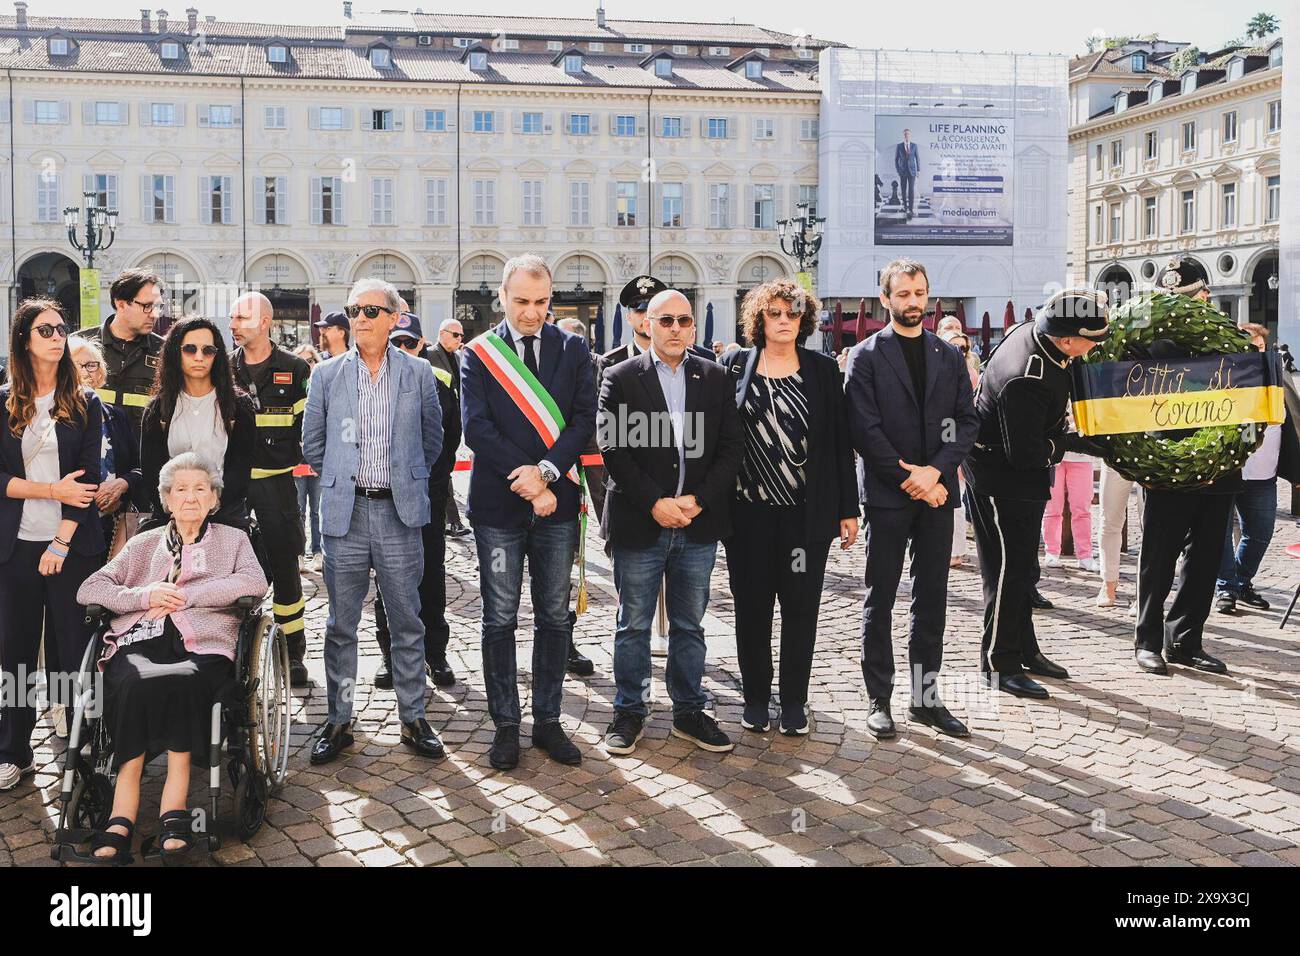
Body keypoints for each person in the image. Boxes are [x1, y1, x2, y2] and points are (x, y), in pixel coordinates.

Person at [75, 453, 267, 860]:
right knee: (129, 681)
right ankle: (121, 814)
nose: (191, 497)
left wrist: (188, 596)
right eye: (181, 490)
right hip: (141, 639)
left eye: (201, 488)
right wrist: (143, 595)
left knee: (184, 679)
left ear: (214, 498)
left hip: (203, 644)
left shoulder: (234, 540)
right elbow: (90, 588)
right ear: (166, 500)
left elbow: (254, 582)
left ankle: (174, 809)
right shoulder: (144, 543)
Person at [461, 254, 596, 770]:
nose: (532, 312)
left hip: (556, 504)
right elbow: (478, 428)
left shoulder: (573, 348)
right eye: (521, 302)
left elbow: (584, 421)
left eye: (541, 302)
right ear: (502, 296)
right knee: (499, 618)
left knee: (554, 618)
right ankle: (505, 726)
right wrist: (530, 478)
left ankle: (548, 721)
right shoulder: (479, 354)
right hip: (499, 506)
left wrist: (546, 474)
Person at [303, 279, 445, 764]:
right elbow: (314, 443)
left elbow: (432, 440)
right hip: (346, 512)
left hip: (399, 513)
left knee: (407, 620)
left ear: (393, 317)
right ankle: (339, 720)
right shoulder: (325, 375)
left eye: (369, 310)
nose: (358, 318)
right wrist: (344, 478)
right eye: (352, 310)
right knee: (341, 624)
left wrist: (404, 479)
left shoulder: (420, 373)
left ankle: (413, 717)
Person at [599, 288, 744, 756]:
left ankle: (688, 710)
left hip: (698, 523)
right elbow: (613, 450)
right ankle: (630, 710)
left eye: (684, 321)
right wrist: (656, 503)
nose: (676, 329)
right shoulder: (619, 376)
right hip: (641, 521)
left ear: (694, 327)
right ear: (648, 325)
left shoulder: (717, 377)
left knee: (689, 623)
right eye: (666, 321)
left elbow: (730, 449)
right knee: (633, 624)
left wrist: (698, 500)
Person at [846, 261, 979, 738]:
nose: (913, 301)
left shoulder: (947, 355)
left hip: (938, 495)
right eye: (903, 294)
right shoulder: (865, 357)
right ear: (885, 300)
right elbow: (864, 430)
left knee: (932, 598)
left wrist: (936, 472)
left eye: (920, 292)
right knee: (879, 597)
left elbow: (967, 421)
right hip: (888, 496)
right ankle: (879, 699)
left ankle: (925, 699)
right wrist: (913, 477)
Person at [722, 279, 858, 736]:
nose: (784, 321)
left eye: (792, 314)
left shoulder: (821, 370)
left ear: (804, 320)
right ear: (759, 318)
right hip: (748, 515)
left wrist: (847, 508)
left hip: (805, 515)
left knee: (800, 609)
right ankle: (756, 698)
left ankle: (794, 701)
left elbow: (841, 443)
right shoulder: (735, 365)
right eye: (775, 313)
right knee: (752, 609)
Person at [963, 290, 1108, 699]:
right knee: (1007, 574)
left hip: (1018, 476)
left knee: (1024, 571)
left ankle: (1023, 648)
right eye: (1091, 341)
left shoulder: (1040, 339)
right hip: (1001, 479)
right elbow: (1026, 452)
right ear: (1067, 341)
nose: (1094, 348)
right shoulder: (1026, 376)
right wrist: (1079, 442)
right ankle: (998, 662)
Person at [0, 299, 103, 791]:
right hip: (15, 547)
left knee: (72, 649)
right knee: (14, 652)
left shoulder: (85, 403)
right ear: (25, 340)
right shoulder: (2, 402)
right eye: (46, 330)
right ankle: (12, 750)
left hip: (71, 546)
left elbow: (86, 482)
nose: (58, 336)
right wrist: (48, 490)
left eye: (62, 329)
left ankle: (80, 742)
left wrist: (60, 543)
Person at [373, 313, 461, 688]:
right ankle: (390, 656)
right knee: (387, 582)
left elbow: (450, 440)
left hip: (425, 498)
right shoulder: (373, 384)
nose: (404, 350)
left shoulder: (438, 381)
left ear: (422, 344)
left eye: (410, 343)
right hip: (384, 501)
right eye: (397, 343)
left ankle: (435, 654)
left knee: (431, 578)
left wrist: (429, 487)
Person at [229, 292, 312, 686]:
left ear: (265, 322)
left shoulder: (295, 369)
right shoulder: (223, 369)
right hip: (234, 489)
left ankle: (293, 653)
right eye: (231, 317)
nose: (233, 324)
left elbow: (309, 428)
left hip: (278, 487)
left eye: (241, 317)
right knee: (230, 567)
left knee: (285, 568)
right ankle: (233, 652)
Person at [140, 317, 256, 531]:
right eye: (190, 349)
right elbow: (151, 470)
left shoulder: (238, 406)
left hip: (225, 517)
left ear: (217, 354)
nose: (199, 357)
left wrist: (211, 506)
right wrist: (177, 509)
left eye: (208, 350)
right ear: (176, 352)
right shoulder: (158, 409)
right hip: (171, 518)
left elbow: (240, 468)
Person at [68, 335, 147, 550]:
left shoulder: (115, 416)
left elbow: (138, 467)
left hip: (112, 525)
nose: (86, 372)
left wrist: (121, 485)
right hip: (67, 525)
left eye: (92, 365)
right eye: (77, 365)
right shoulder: (53, 417)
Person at [79, 268, 165, 443]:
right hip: (91, 455)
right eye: (147, 306)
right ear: (121, 304)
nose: (155, 314)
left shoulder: (164, 351)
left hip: (141, 460)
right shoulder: (80, 345)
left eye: (158, 307)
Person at [1043, 403, 1098, 573]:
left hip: (1081, 455)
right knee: (1052, 508)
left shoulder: (1084, 385)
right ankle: (1051, 552)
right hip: (1055, 455)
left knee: (1081, 508)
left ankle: (1085, 555)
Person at [428, 318, 471, 538]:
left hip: (454, 425)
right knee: (443, 474)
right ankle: (453, 521)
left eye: (461, 336)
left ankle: (448, 521)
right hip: (438, 426)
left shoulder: (458, 357)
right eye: (455, 335)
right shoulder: (429, 355)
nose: (459, 339)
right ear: (442, 333)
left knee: (444, 473)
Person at [939, 329, 978, 569]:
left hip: (960, 443)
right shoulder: (936, 371)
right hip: (938, 441)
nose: (959, 352)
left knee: (957, 501)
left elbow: (970, 414)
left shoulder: (970, 374)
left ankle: (957, 550)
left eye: (962, 348)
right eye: (953, 346)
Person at [292, 344, 324, 572]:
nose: (307, 365)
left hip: (319, 459)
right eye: (302, 361)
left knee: (318, 509)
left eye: (310, 360)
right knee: (298, 508)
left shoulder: (323, 386)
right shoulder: (293, 389)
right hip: (297, 460)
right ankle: (299, 553)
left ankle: (319, 552)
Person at [894, 128, 920, 218]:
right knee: (903, 190)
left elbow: (917, 158)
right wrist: (898, 170)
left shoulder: (914, 146)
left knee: (911, 191)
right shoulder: (899, 146)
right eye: (905, 134)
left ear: (910, 135)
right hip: (903, 171)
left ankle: (911, 209)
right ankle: (905, 207)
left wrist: (918, 170)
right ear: (903, 135)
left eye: (908, 134)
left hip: (912, 171)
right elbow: (896, 159)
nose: (906, 135)